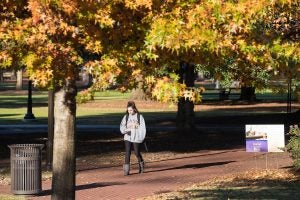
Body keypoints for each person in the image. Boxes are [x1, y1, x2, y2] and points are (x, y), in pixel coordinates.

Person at [120, 101, 146, 175]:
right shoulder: (126, 116)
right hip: (127, 137)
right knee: (127, 152)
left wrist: (139, 135)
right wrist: (125, 131)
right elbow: (122, 126)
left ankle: (141, 165)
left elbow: (142, 128)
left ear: (134, 109)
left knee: (136, 152)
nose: (129, 112)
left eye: (131, 110)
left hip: (136, 137)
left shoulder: (139, 117)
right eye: (128, 110)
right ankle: (126, 170)